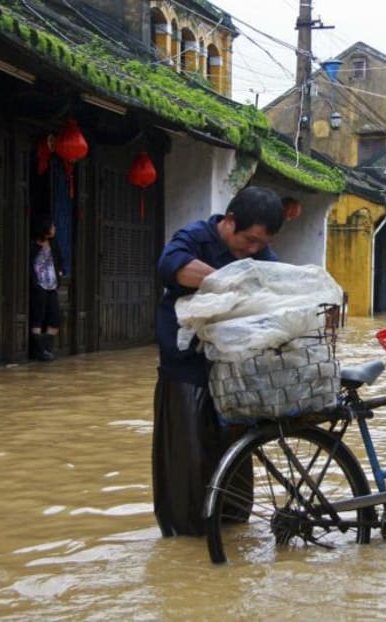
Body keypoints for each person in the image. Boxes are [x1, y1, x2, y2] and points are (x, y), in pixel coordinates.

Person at [153, 186, 285, 537]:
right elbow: (170, 265)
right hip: (187, 368)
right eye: (249, 240)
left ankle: (232, 528)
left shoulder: (262, 255)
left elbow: (277, 291)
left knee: (235, 454)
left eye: (262, 243)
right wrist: (228, 282)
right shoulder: (195, 237)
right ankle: (187, 537)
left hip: (234, 371)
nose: (254, 249)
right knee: (188, 458)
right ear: (229, 221)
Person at [29, 217, 64, 362]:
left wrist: (61, 271)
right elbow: (28, 264)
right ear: (45, 228)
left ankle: (45, 349)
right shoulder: (32, 244)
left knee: (55, 317)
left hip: (52, 284)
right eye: (52, 226)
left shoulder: (53, 243)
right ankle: (39, 351)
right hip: (39, 285)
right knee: (38, 316)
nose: (54, 229)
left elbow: (59, 259)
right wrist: (34, 282)